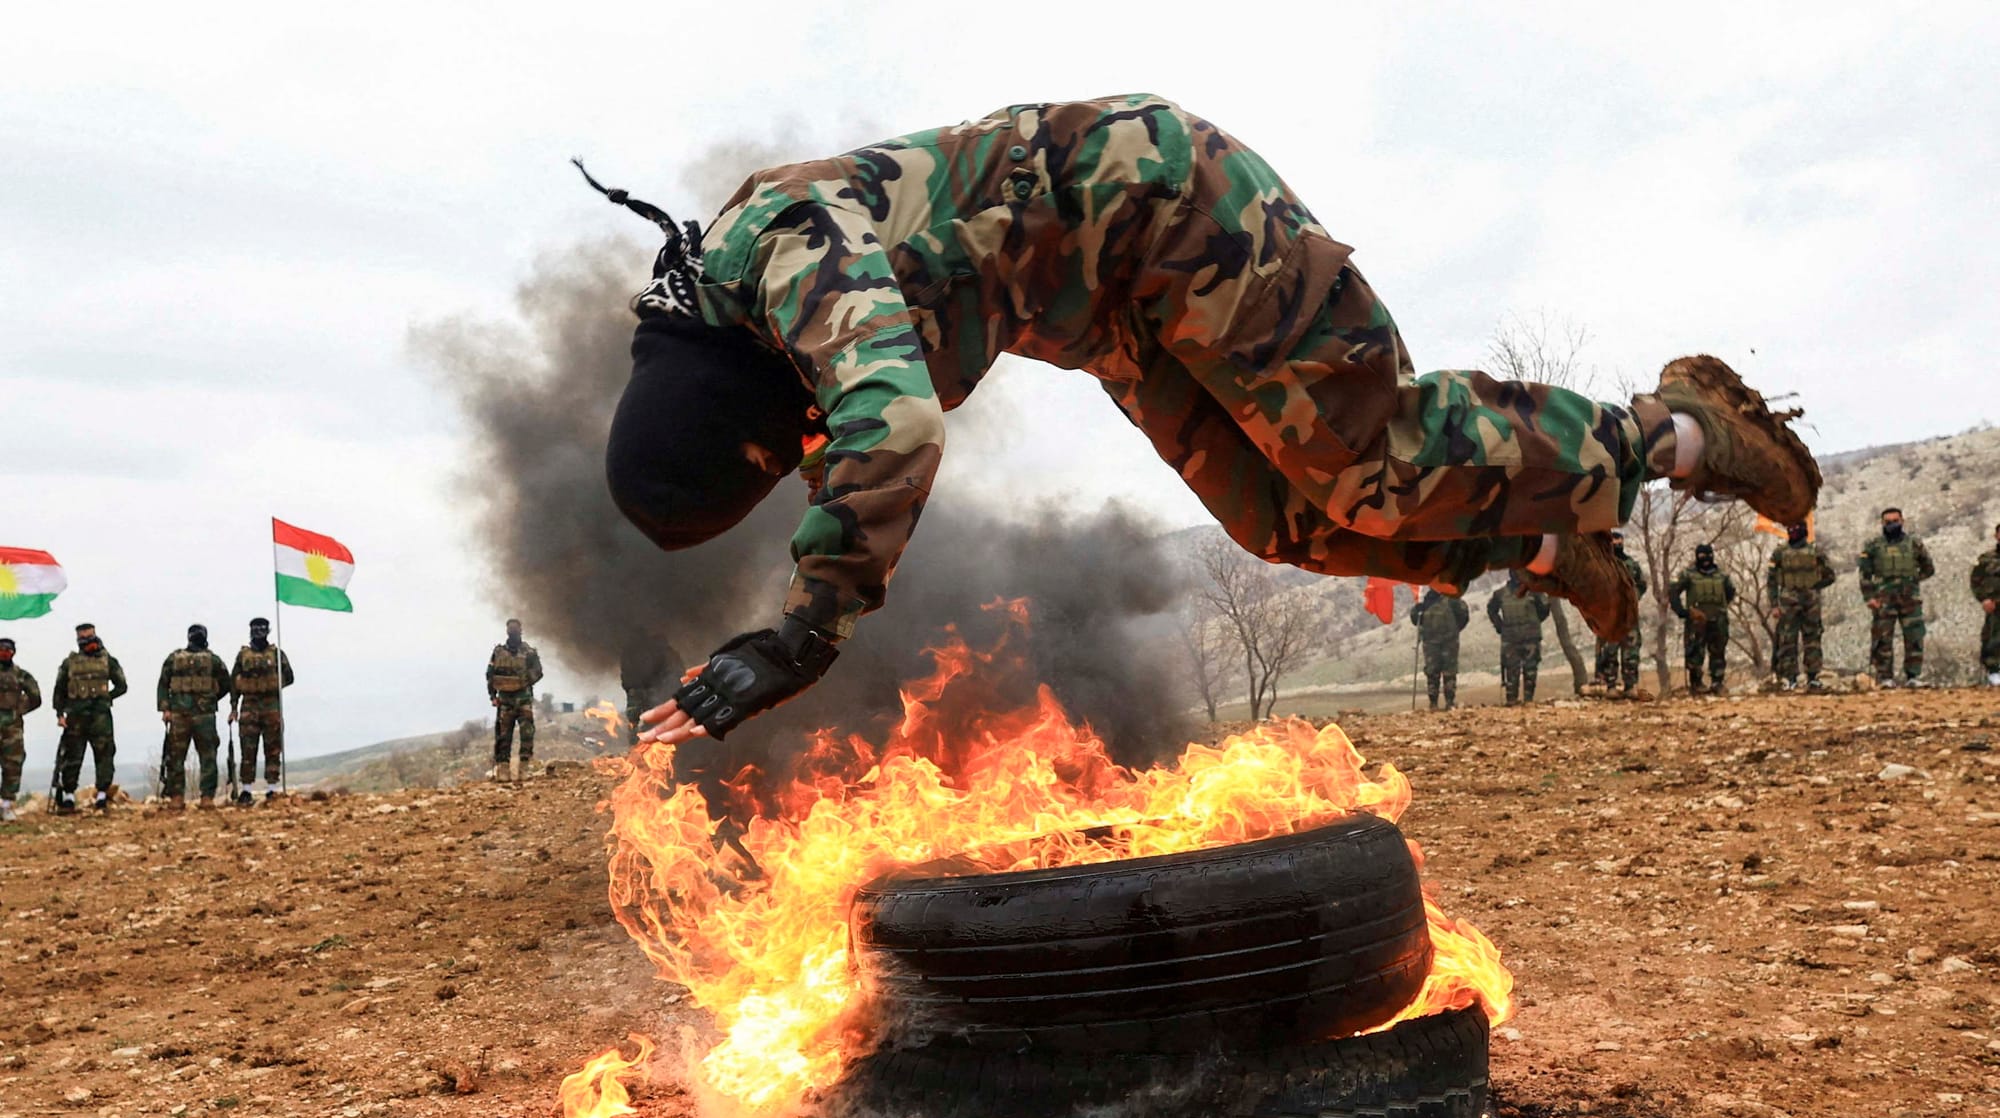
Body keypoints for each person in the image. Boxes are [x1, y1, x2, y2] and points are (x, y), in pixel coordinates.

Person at [581, 95, 1819, 744]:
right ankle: (1548, 545)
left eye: (784, 446)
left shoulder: (779, 252)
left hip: (1166, 206)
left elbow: (894, 429)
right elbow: (851, 425)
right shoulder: (737, 323)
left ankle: (1678, 429)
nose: (804, 448)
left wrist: (804, 633)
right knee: (1286, 520)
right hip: (1109, 308)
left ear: (736, 409)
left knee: (1369, 456)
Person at [51, 623, 127, 813]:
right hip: (75, 717)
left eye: (89, 637)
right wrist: (60, 714)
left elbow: (122, 685)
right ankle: (68, 797)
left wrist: (106, 697)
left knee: (104, 755)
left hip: (100, 717)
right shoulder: (70, 663)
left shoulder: (107, 660)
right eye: (83, 638)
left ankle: (102, 796)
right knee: (72, 756)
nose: (87, 641)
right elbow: (59, 690)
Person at [156, 624, 232, 809]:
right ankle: (177, 797)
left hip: (202, 716)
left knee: (207, 756)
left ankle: (207, 797)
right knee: (176, 757)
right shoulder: (174, 659)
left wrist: (210, 698)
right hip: (181, 715)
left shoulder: (213, 661)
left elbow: (226, 683)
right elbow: (163, 684)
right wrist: (166, 709)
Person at [1858, 507, 1935, 688]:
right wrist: (1869, 597)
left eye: (1895, 521)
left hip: (1910, 599)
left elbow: (1928, 568)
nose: (1892, 524)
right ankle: (1885, 678)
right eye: (1888, 522)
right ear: (1882, 523)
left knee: (1914, 637)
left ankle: (1913, 676)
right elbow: (1864, 574)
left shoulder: (1914, 544)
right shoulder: (1873, 546)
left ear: (1902, 521)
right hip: (1884, 599)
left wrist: (1914, 580)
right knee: (1883, 639)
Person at [229, 617, 295, 805]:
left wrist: (273, 683)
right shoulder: (243, 655)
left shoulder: (276, 654)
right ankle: (246, 791)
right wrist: (233, 708)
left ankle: (272, 789)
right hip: (249, 707)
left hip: (271, 707)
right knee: (248, 750)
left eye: (262, 628)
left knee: (273, 748)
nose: (259, 631)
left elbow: (289, 676)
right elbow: (234, 682)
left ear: (268, 630)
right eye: (255, 628)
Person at [1765, 521, 1837, 692]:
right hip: (1788, 602)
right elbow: (1771, 581)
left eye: (1796, 528)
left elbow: (1830, 575)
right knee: (1787, 640)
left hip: (1810, 603)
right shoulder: (1780, 553)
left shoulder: (1815, 552)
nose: (1793, 531)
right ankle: (1789, 678)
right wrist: (1774, 605)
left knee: (1812, 639)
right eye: (1790, 528)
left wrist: (1814, 587)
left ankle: (1813, 677)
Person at [1669, 543, 1737, 696]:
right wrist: (1682, 612)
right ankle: (1696, 684)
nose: (1705, 559)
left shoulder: (1722, 576)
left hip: (1718, 619)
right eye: (1702, 556)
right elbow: (1673, 592)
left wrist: (1720, 608)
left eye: (1708, 556)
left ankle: (1717, 683)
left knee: (1718, 652)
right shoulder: (1688, 575)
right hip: (1697, 620)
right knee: (1695, 653)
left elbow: (1730, 592)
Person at [1593, 530, 1649, 698]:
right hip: (1608, 615)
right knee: (1609, 651)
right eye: (1614, 540)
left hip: (1628, 615)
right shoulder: (1601, 564)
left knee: (1631, 651)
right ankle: (1610, 686)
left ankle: (1630, 686)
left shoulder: (1632, 564)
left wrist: (1634, 598)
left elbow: (1642, 585)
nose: (1617, 543)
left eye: (1619, 540)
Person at [487, 619, 544, 778]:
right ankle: (503, 770)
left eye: (515, 629)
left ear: (520, 631)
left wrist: (525, 681)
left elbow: (538, 672)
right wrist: (493, 696)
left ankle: (524, 768)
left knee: (527, 733)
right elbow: (490, 674)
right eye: (511, 629)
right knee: (504, 737)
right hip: (505, 700)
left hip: (523, 699)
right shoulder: (499, 652)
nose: (513, 632)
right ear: (507, 632)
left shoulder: (528, 652)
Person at [1486, 572, 1550, 706]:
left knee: (1530, 670)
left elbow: (1544, 609)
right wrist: (1500, 626)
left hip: (1530, 638)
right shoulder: (1501, 594)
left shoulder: (1534, 592)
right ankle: (1512, 700)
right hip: (1511, 639)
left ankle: (1528, 700)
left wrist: (1534, 623)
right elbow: (1491, 610)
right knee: (1511, 671)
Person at [0, 637, 41, 822]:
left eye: (8, 650)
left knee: (13, 765)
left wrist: (18, 709)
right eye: (1, 650)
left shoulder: (21, 675)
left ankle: (6, 805)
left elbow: (35, 697)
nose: (5, 653)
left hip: (12, 727)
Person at [1409, 589, 1469, 710]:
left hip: (1449, 642)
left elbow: (1463, 615)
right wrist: (1417, 609)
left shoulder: (1452, 600)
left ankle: (1450, 702)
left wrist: (1454, 631)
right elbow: (1415, 620)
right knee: (1432, 673)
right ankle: (1433, 703)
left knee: (1450, 672)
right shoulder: (1425, 601)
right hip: (1431, 644)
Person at [621, 638, 685, 745]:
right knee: (635, 716)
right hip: (640, 688)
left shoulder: (667, 655)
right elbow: (627, 676)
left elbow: (676, 675)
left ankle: (649, 744)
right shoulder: (631, 654)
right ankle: (637, 744)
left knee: (656, 715)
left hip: (661, 690)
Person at [1973, 521, 2000, 687]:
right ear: (1996, 536)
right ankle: (1995, 672)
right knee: (1993, 639)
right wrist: (1983, 599)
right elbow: (1976, 582)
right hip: (1995, 606)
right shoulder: (1986, 559)